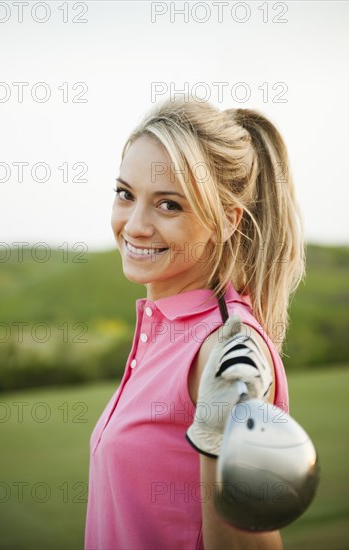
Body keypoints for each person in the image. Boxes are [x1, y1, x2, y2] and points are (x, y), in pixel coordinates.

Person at [84, 97, 305, 550]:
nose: (136, 225)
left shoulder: (222, 348)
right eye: (126, 194)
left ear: (227, 221)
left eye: (168, 205)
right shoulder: (164, 328)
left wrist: (219, 440)